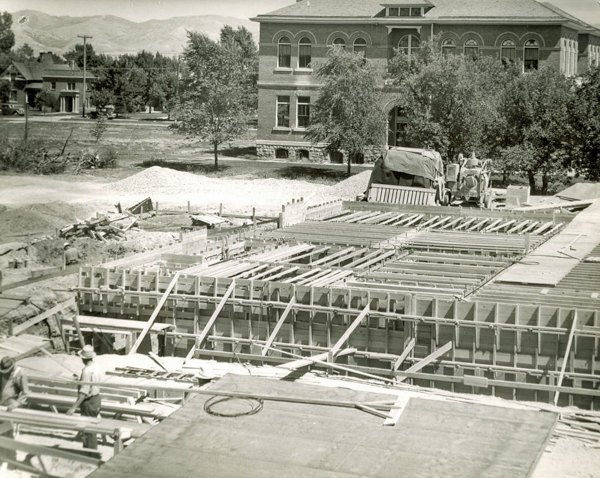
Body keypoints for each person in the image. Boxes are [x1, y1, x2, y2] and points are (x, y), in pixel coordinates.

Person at [66, 345, 102, 450]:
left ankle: (90, 454)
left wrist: (73, 407)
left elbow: (84, 392)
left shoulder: (86, 371)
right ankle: (91, 452)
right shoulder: (96, 367)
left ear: (83, 358)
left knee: (88, 430)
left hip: (88, 402)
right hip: (97, 399)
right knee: (92, 428)